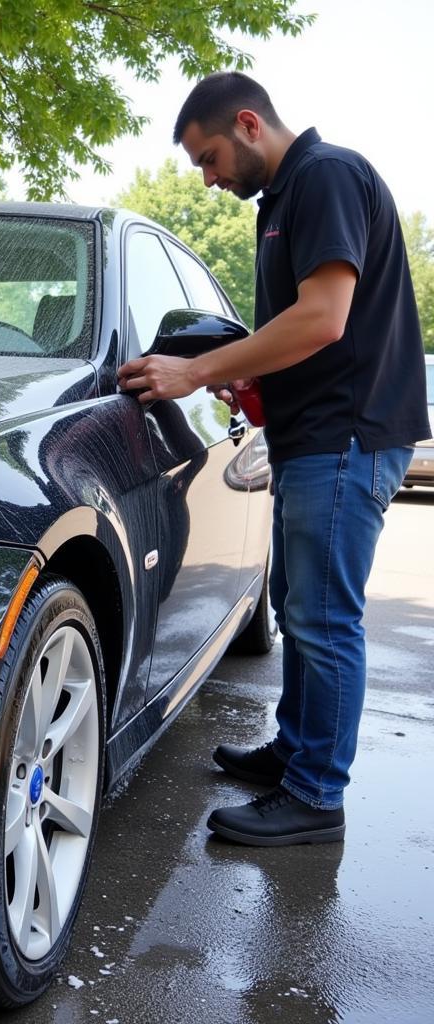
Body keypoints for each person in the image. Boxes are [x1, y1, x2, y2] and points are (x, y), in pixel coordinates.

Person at [118, 72, 431, 847]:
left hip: (346, 437)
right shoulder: (285, 202)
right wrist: (247, 373)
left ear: (250, 124)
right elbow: (307, 330)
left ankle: (316, 799)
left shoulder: (324, 176)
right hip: (313, 434)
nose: (208, 176)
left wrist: (194, 371)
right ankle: (296, 754)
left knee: (324, 621)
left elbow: (324, 319)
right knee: (301, 606)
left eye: (210, 157)